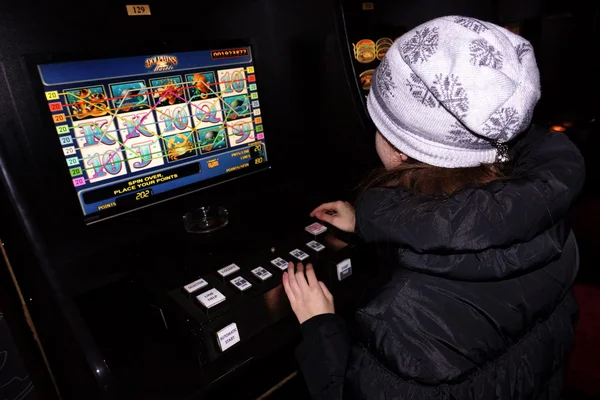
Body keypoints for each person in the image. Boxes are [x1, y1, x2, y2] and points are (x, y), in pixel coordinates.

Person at [281, 15, 584, 400]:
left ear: (401, 146)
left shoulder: (404, 315)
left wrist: (319, 324)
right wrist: (367, 222)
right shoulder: (544, 210)